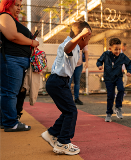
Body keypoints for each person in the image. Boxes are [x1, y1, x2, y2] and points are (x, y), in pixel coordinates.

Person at [41, 21, 91, 155]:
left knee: (67, 110)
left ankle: (51, 133)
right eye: (88, 39)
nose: (87, 43)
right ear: (83, 37)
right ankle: (63, 142)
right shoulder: (71, 45)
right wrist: (80, 35)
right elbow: (67, 49)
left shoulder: (74, 45)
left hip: (58, 82)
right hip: (58, 82)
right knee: (71, 111)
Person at [0, 0, 39, 132]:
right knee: (10, 92)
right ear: (7, 4)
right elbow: (12, 36)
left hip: (16, 60)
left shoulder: (11, 18)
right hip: (12, 59)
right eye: (16, 5)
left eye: (20, 6)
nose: (19, 8)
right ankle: (11, 123)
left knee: (11, 92)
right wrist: (32, 42)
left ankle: (5, 120)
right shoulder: (5, 16)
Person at [96, 38, 131, 122]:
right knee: (110, 96)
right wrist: (100, 65)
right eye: (116, 49)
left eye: (119, 49)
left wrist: (129, 71)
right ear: (110, 48)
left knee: (121, 89)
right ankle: (109, 113)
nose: (118, 51)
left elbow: (129, 63)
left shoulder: (122, 56)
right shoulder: (106, 54)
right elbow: (99, 61)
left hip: (118, 76)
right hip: (108, 78)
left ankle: (118, 107)